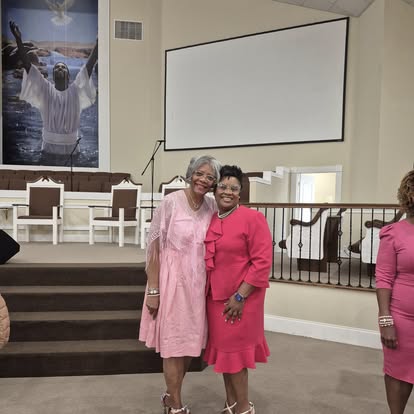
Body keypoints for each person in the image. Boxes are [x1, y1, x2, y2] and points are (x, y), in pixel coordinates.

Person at [139, 155, 221, 414]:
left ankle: (169, 395)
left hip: (199, 287)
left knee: (188, 346)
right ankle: (175, 405)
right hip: (172, 283)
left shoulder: (212, 207)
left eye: (210, 177)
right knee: (174, 345)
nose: (203, 179)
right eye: (200, 173)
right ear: (190, 174)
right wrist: (154, 290)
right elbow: (153, 249)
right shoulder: (170, 202)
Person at [203, 165, 272, 414]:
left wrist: (241, 295)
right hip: (215, 299)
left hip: (241, 299)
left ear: (240, 193)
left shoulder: (253, 218)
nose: (227, 192)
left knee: (236, 357)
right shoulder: (212, 218)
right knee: (226, 356)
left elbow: (262, 262)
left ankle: (243, 408)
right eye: (223, 186)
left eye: (234, 188)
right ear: (215, 190)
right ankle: (230, 404)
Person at [9, 20, 98, 156]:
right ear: (53, 76)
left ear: (69, 76)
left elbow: (89, 66)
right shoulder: (45, 89)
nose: (60, 68)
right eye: (57, 67)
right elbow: (27, 66)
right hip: (48, 150)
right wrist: (18, 40)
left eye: (63, 67)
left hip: (71, 150)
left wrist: (98, 42)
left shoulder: (76, 90)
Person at [376, 169, 414, 414]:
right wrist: (385, 320)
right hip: (403, 318)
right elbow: (384, 278)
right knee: (399, 373)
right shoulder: (394, 233)